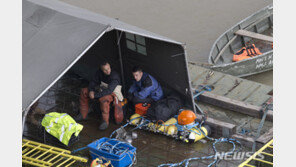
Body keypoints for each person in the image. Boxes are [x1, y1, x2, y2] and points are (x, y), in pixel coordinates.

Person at [76, 60, 124, 130]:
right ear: (101, 70)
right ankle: (83, 114)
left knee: (104, 100)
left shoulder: (114, 76)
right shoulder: (99, 72)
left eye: (108, 69)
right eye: (105, 70)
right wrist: (91, 90)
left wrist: (95, 95)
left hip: (113, 93)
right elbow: (94, 81)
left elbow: (109, 91)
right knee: (84, 91)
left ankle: (105, 122)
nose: (108, 71)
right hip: (102, 88)